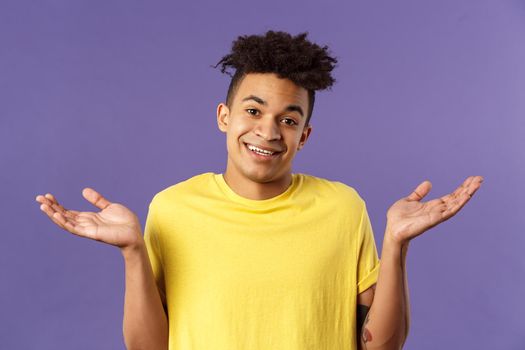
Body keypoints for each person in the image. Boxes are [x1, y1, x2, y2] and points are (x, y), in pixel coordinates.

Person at [35, 30, 483, 350]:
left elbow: (380, 347)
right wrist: (133, 251)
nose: (268, 131)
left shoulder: (343, 207)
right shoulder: (172, 208)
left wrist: (396, 244)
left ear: (304, 135)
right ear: (224, 117)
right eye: (253, 110)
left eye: (289, 119)